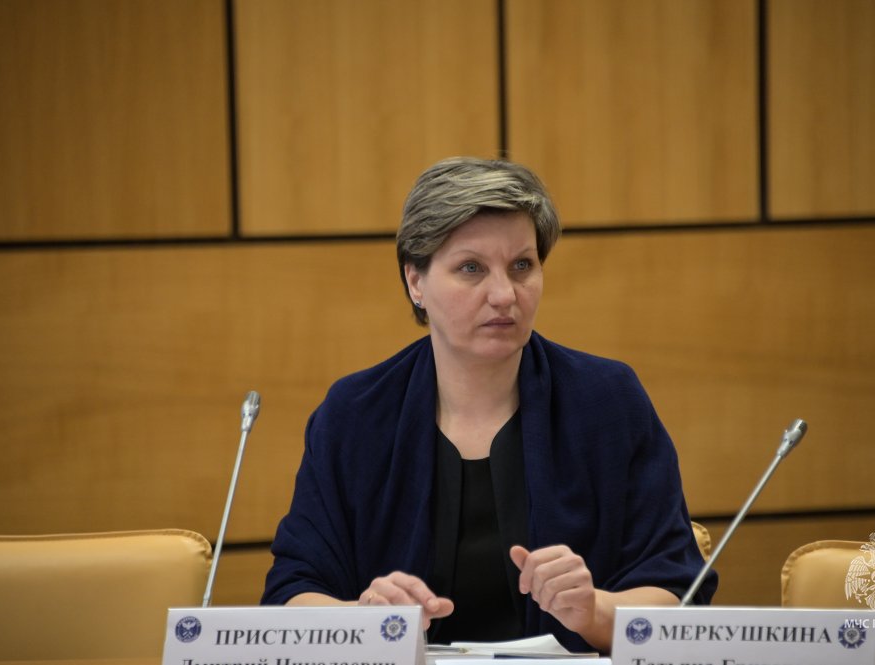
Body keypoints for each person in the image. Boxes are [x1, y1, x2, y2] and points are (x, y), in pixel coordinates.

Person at [261, 157, 716, 652]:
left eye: (522, 266)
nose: (504, 294)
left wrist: (594, 611)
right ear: (416, 281)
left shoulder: (607, 403)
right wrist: (364, 618)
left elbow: (679, 591)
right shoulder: (355, 415)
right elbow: (292, 592)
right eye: (471, 268)